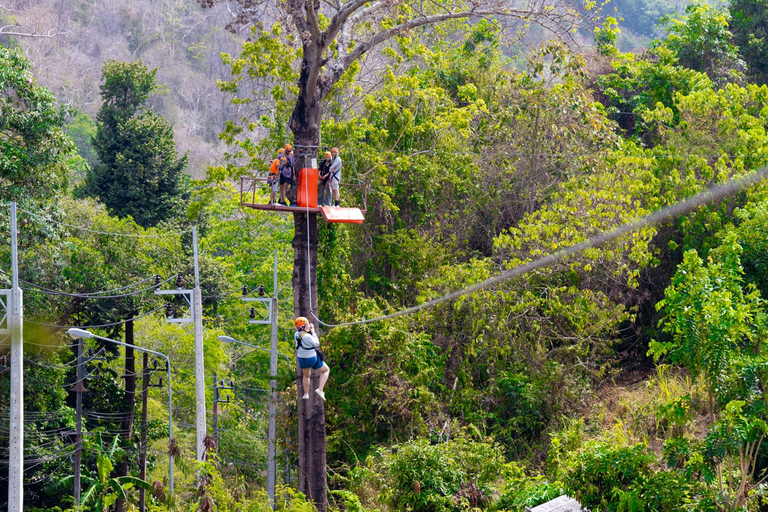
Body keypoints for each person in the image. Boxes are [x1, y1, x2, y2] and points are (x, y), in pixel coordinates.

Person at [294, 316, 329, 400]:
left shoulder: (296, 335)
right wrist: (313, 332)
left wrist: (307, 329)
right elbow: (316, 343)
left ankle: (306, 394)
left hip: (301, 359)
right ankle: (320, 389)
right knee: (326, 370)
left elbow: (303, 334)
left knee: (306, 376)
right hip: (311, 359)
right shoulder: (308, 337)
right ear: (303, 326)